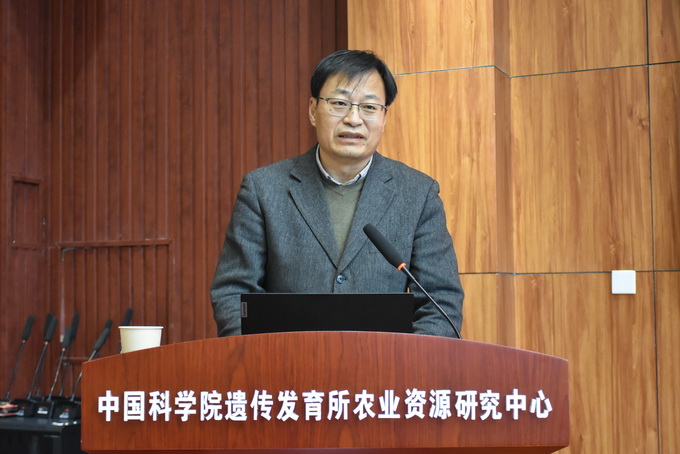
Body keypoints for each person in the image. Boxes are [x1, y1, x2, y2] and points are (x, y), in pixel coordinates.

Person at [210, 49, 464, 338]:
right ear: (313, 110)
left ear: (384, 118)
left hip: (385, 364)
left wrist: (406, 362)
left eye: (369, 107)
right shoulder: (263, 189)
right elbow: (233, 293)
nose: (353, 119)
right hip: (285, 363)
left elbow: (440, 301)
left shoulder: (417, 194)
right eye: (340, 103)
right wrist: (261, 358)